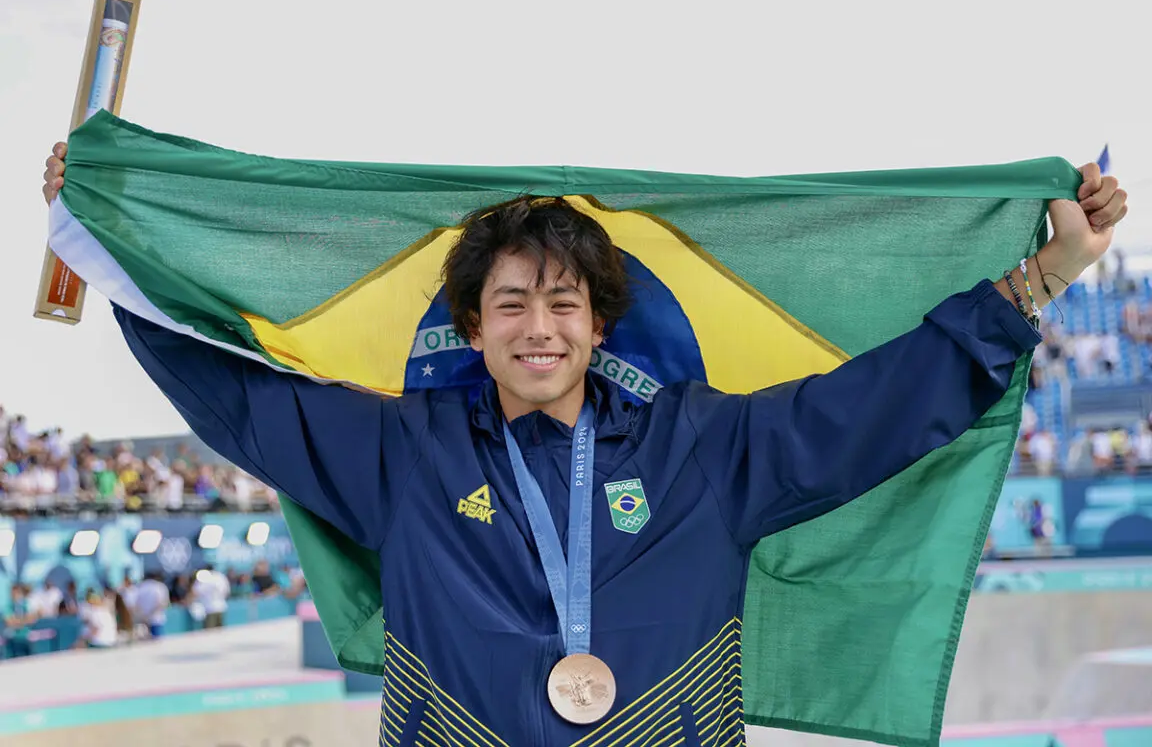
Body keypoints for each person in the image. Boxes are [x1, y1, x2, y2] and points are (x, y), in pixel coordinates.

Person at [41, 143, 1127, 744]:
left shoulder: (703, 451)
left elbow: (869, 408)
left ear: (600, 324)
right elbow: (239, 400)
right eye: (510, 306)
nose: (540, 328)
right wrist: (107, 255)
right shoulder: (404, 454)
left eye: (563, 304)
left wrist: (1038, 282)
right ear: (471, 330)